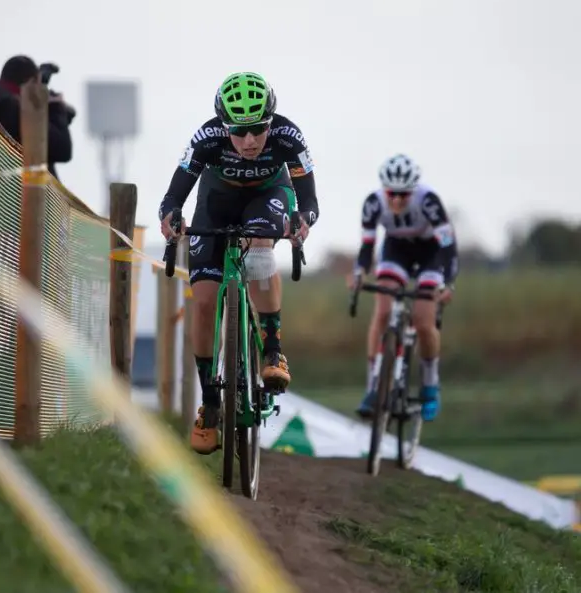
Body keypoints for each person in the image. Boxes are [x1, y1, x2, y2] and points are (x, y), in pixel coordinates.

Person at [158, 71, 320, 454]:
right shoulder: (207, 138)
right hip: (216, 202)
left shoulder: (288, 137)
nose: (249, 141)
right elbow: (173, 198)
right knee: (203, 302)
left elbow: (309, 201)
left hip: (268, 195)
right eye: (239, 131)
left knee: (261, 248)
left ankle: (272, 348)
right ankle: (210, 401)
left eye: (259, 129)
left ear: (271, 120)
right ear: (222, 125)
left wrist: (302, 222)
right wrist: (171, 219)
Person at [349, 154, 457, 422]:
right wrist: (359, 273)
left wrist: (448, 283)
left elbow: (448, 245)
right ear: (383, 189)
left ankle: (430, 384)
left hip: (430, 253)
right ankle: (374, 385)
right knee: (383, 311)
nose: (396, 200)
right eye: (391, 194)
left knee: (423, 320)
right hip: (396, 250)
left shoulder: (428, 201)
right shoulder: (373, 204)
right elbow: (367, 247)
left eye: (404, 195)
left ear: (414, 190)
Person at [0, 55, 75, 178]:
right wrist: (56, 109)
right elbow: (63, 150)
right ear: (31, 83)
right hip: (18, 191)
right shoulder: (18, 112)